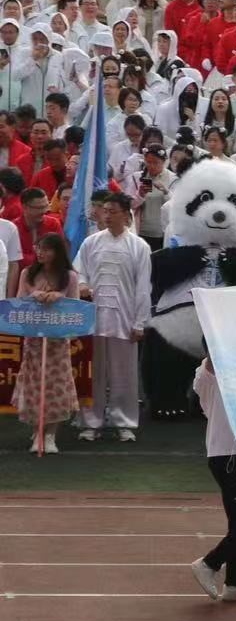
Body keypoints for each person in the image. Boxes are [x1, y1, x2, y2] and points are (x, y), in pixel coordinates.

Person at [187, 356, 236, 603]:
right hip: (230, 457)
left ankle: (235, 583)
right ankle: (209, 563)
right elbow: (213, 359)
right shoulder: (209, 373)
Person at [74, 192, 151, 443]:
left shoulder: (139, 246)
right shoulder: (91, 242)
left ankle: (124, 421)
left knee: (124, 374)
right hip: (94, 317)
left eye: (112, 211)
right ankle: (90, 422)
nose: (107, 216)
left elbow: (143, 287)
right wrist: (82, 285)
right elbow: (79, 272)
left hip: (124, 317)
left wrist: (139, 322)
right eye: (105, 210)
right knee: (93, 373)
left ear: (126, 215)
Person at [13, 233, 76, 456]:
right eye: (39, 248)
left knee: (56, 385)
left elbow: (76, 309)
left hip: (58, 342)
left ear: (57, 253)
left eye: (46, 249)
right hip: (34, 340)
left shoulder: (69, 277)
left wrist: (60, 299)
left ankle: (51, 434)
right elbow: (19, 304)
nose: (41, 253)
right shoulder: (27, 274)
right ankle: (37, 432)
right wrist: (34, 297)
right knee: (34, 384)